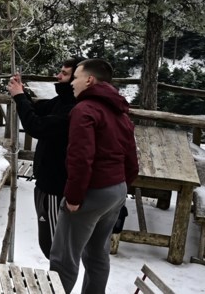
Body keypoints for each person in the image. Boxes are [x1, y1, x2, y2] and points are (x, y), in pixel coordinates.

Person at [49, 58, 138, 294]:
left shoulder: (84, 110)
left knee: (64, 259)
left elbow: (80, 157)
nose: (72, 83)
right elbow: (131, 160)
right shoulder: (120, 113)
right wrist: (120, 189)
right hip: (116, 190)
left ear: (89, 80)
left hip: (92, 191)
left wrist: (74, 197)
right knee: (97, 255)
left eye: (76, 78)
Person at [6, 57, 81, 259]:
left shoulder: (74, 109)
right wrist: (21, 93)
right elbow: (38, 111)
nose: (58, 76)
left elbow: (36, 127)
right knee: (48, 241)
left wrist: (20, 97)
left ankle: (58, 277)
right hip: (45, 183)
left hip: (56, 187)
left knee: (55, 246)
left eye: (64, 73)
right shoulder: (63, 100)